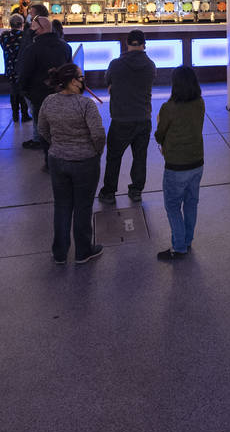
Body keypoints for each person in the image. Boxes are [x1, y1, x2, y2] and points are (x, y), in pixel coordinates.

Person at [37, 64, 105, 265]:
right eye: (81, 77)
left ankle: (59, 252)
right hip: (85, 162)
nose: (83, 80)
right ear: (74, 81)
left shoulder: (49, 102)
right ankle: (83, 251)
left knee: (62, 205)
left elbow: (42, 129)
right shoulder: (86, 105)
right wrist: (96, 151)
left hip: (58, 161)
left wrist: (57, 146)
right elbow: (98, 134)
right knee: (83, 206)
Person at [98, 30, 157, 205]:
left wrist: (113, 86)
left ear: (127, 44)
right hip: (143, 118)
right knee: (140, 156)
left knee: (114, 157)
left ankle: (108, 192)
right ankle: (136, 190)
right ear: (144, 44)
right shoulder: (150, 65)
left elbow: (107, 80)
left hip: (121, 119)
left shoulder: (115, 64)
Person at [154, 66, 206, 261]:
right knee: (191, 202)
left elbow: (160, 135)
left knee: (173, 205)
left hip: (176, 165)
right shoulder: (200, 103)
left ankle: (179, 246)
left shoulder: (168, 108)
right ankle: (187, 239)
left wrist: (159, 129)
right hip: (197, 162)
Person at [17, 17, 71, 152]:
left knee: (44, 129)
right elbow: (69, 69)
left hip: (38, 96)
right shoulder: (65, 46)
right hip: (61, 94)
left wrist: (24, 90)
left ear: (40, 30)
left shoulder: (32, 49)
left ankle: (49, 160)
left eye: (32, 27)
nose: (30, 30)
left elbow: (25, 73)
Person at [0, 14, 29, 122]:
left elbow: (3, 47)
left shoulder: (4, 36)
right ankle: (25, 114)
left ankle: (15, 115)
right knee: (23, 91)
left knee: (13, 90)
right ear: (22, 24)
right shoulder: (25, 36)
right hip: (22, 67)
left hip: (9, 67)